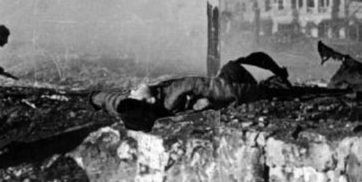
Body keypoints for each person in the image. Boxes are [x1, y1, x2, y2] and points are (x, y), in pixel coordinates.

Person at [90, 52, 291, 131]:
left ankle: (275, 76)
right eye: (135, 93)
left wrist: (93, 98)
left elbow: (111, 101)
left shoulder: (130, 108)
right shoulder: (177, 92)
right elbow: (223, 89)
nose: (132, 90)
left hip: (216, 93)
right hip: (233, 83)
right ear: (150, 102)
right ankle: (277, 79)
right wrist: (267, 92)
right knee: (233, 66)